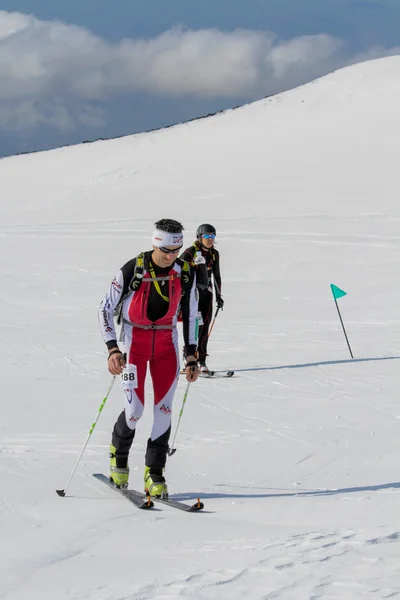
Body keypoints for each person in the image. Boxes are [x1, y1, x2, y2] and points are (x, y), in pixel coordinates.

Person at [98, 219, 199, 497]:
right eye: (166, 250)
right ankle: (118, 459)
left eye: (176, 251)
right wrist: (112, 348)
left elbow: (191, 315)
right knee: (135, 411)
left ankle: (154, 474)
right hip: (135, 344)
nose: (170, 256)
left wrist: (191, 356)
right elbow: (104, 309)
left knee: (163, 411)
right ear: (156, 243)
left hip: (167, 344)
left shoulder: (185, 272)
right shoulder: (133, 269)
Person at [180, 223, 223, 373]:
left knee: (205, 327)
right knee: (195, 327)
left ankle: (202, 361)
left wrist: (219, 296)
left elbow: (216, 275)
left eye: (212, 236)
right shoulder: (190, 252)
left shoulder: (214, 254)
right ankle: (189, 357)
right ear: (200, 237)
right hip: (193, 295)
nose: (210, 239)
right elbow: (178, 271)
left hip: (207, 294)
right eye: (207, 236)